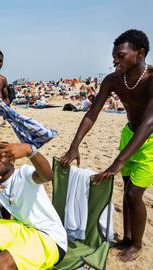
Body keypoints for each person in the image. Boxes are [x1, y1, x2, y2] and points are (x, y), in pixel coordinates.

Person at [60, 29, 153, 262]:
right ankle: (126, 237)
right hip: (129, 134)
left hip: (150, 140)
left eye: (120, 56)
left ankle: (137, 244)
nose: (115, 60)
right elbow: (92, 113)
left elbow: (150, 122)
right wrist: (74, 146)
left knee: (134, 194)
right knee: (125, 185)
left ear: (140, 54)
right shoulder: (113, 80)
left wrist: (117, 162)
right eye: (114, 56)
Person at [0, 141, 67, 269]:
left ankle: (2, 264)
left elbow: (47, 176)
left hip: (50, 238)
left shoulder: (23, 173)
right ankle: (3, 264)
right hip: (25, 229)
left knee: (1, 263)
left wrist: (30, 151)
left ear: (12, 160)